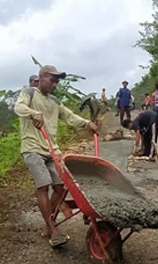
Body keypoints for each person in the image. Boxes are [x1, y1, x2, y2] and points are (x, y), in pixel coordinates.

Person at [14, 65, 98, 247]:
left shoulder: (54, 102)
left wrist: (87, 124)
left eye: (57, 81)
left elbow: (70, 117)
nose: (55, 84)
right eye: (52, 80)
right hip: (32, 148)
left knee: (61, 187)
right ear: (41, 78)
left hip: (51, 150)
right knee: (43, 185)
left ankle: (48, 222)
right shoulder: (29, 93)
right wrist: (33, 113)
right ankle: (53, 230)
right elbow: (18, 108)